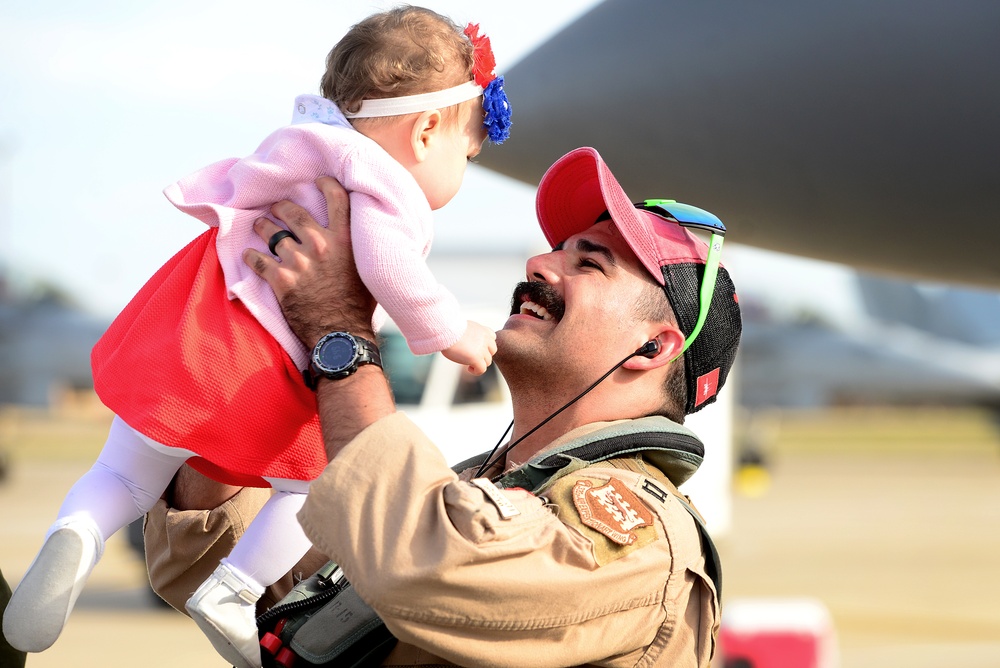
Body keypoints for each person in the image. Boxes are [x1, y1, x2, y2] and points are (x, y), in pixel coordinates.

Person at [2, 7, 511, 668]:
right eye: (465, 154)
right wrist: (453, 332)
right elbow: (393, 272)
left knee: (124, 470)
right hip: (261, 366)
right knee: (315, 488)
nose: (460, 172)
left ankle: (76, 530)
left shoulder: (293, 152)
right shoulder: (378, 185)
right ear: (426, 130)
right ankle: (233, 591)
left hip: (190, 332)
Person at [143, 146, 742, 667]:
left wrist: (338, 331)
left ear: (654, 346)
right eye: (558, 250)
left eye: (588, 263)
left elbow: (421, 564)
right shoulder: (474, 485)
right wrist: (257, 342)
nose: (539, 265)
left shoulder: (639, 539)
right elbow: (254, 591)